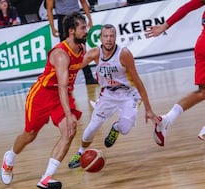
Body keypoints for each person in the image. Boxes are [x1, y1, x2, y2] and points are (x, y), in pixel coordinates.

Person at [0, 12, 88, 189]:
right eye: (83, 28)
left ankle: (46, 177)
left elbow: (67, 86)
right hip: (42, 95)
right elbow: (62, 87)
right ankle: (10, 157)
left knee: (69, 131)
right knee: (30, 135)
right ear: (71, 31)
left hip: (61, 96)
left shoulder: (82, 49)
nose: (86, 31)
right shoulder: (61, 54)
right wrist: (70, 114)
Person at [68, 24, 159, 168]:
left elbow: (138, 82)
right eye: (105, 36)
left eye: (111, 36)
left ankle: (116, 127)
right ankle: (80, 153)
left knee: (125, 129)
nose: (109, 39)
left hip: (128, 94)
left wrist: (148, 109)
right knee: (92, 128)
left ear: (116, 37)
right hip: (108, 94)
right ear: (100, 38)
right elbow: (73, 67)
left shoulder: (124, 54)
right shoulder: (94, 53)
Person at [145, 0, 205, 145]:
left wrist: (165, 25)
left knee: (202, 92)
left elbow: (188, 6)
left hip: (201, 44)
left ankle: (167, 119)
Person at [46, 0, 98, 85]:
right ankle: (64, 80)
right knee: (65, 51)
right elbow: (49, 8)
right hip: (63, 19)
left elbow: (83, 2)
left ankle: (88, 77)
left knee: (81, 48)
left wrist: (89, 18)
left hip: (76, 16)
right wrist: (52, 26)